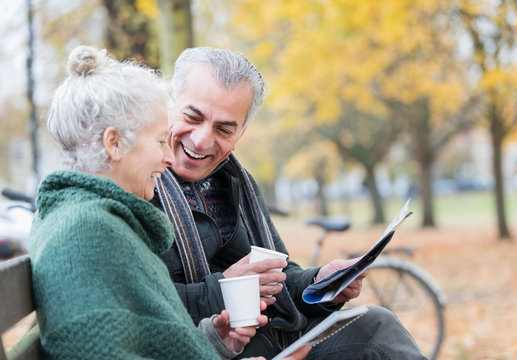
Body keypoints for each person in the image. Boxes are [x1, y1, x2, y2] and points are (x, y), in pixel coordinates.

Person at [29, 45, 309, 360]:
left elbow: (149, 335)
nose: (167, 156)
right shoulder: (87, 230)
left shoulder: (97, 220)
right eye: (161, 140)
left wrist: (215, 341)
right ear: (115, 143)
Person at [152, 46, 427, 359]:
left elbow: (280, 276)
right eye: (193, 116)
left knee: (377, 327)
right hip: (205, 348)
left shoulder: (236, 183)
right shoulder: (138, 183)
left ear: (241, 133)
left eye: (223, 129)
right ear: (169, 104)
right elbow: (133, 302)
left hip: (278, 341)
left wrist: (320, 281)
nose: (202, 140)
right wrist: (223, 289)